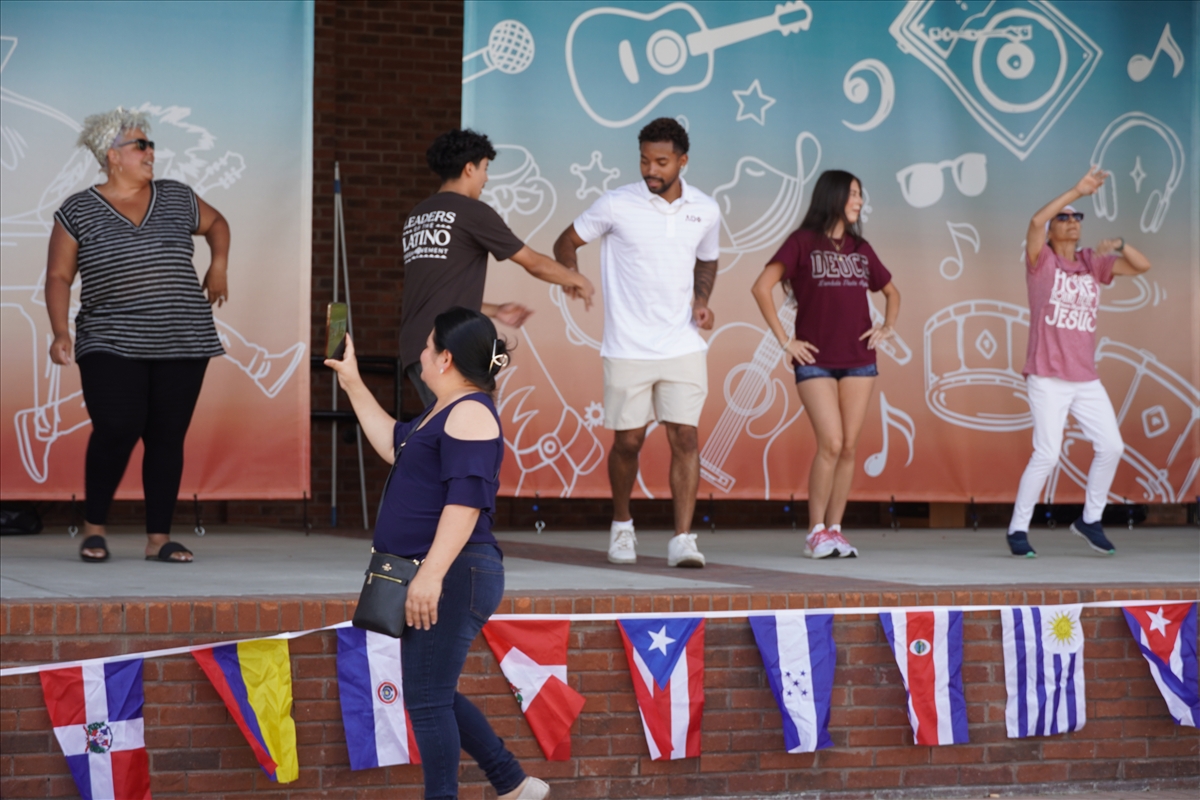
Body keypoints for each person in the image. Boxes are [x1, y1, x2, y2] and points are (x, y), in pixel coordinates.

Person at [326, 307, 548, 800]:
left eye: (428, 347)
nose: (421, 355)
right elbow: (393, 445)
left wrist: (431, 575)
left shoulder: (470, 412)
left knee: (427, 701)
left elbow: (466, 503)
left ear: (446, 358)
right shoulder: (445, 410)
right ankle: (514, 785)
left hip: (454, 572)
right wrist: (353, 380)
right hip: (442, 570)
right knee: (431, 694)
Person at [46, 107, 230, 564]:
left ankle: (158, 539)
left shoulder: (176, 196)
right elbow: (59, 277)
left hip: (183, 337)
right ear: (112, 155)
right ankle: (94, 527)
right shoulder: (78, 209)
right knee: (118, 425)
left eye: (151, 145)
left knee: (167, 435)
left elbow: (217, 224)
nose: (151, 153)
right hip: (109, 338)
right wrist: (60, 331)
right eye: (141, 145)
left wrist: (219, 265)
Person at [553, 117, 718, 568]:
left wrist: (701, 300)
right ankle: (622, 525)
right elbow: (566, 240)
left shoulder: (705, 209)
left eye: (661, 162)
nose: (650, 170)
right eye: (645, 160)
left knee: (686, 437)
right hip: (627, 346)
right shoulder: (617, 203)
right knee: (628, 441)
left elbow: (707, 260)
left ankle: (683, 539)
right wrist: (572, 275)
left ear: (683, 161)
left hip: (682, 344)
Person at [750, 170, 900, 559]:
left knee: (848, 446)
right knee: (831, 442)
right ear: (833, 196)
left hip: (859, 360)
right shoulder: (801, 242)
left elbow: (892, 292)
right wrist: (786, 341)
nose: (859, 201)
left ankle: (835, 530)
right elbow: (761, 287)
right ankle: (815, 532)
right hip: (815, 359)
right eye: (853, 194)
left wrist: (887, 327)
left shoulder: (860, 248)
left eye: (860, 195)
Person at [1005, 167, 1150, 558]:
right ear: (1052, 231)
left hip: (1084, 378)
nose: (1072, 222)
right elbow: (1034, 221)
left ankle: (1090, 519)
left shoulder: (1091, 262)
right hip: (1047, 375)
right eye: (1064, 218)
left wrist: (1120, 243)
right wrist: (1077, 192)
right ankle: (1018, 528)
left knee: (1112, 446)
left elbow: (1141, 266)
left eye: (1077, 217)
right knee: (1047, 454)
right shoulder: (1041, 261)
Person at [400, 129, 594, 406]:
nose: (486, 178)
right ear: (469, 168)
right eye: (485, 168)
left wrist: (495, 310)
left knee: (446, 425)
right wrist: (578, 280)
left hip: (415, 347)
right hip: (447, 345)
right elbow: (532, 261)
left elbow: (435, 292)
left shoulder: (418, 215)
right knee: (467, 425)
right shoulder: (472, 212)